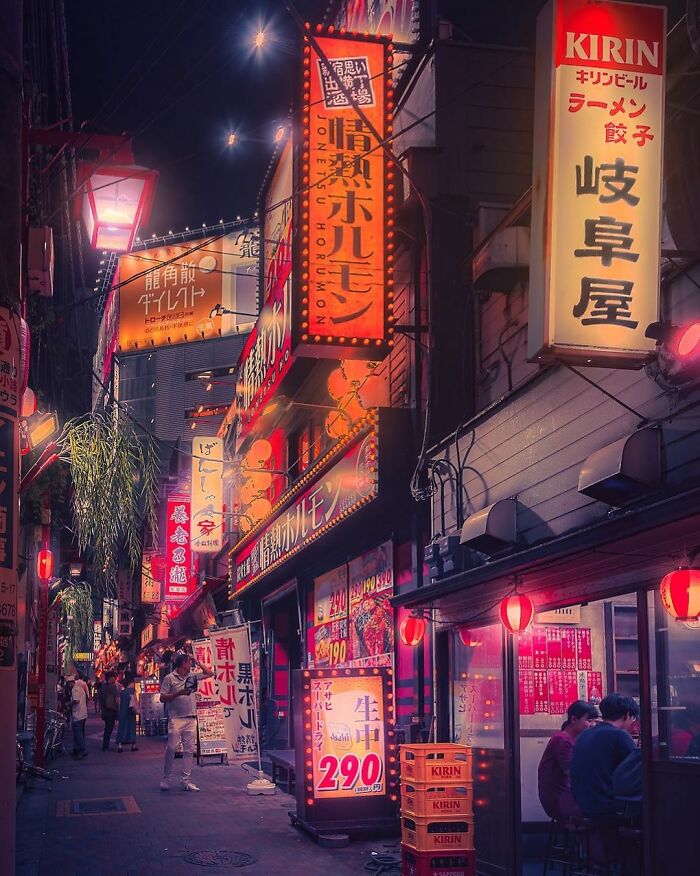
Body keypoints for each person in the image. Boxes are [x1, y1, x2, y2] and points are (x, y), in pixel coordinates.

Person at [571, 693, 640, 819]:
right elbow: (637, 770)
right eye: (633, 717)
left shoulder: (585, 734)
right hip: (606, 807)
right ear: (627, 715)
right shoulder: (619, 735)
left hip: (582, 804)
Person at [159, 651, 214, 792]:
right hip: (175, 719)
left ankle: (185, 781)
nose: (191, 664)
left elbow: (209, 673)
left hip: (191, 718)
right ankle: (166, 778)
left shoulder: (192, 677)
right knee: (171, 748)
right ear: (183, 664)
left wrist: (197, 660)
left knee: (189, 751)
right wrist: (178, 693)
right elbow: (162, 698)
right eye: (189, 662)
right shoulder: (169, 678)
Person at [538, 700, 599, 821]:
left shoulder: (570, 739)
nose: (593, 725)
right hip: (561, 799)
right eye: (589, 720)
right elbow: (573, 773)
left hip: (566, 796)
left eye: (594, 721)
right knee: (602, 814)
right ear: (574, 719)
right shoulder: (562, 741)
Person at [116, 674, 139, 753]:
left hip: (122, 712)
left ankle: (120, 745)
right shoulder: (132, 691)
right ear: (130, 683)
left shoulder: (122, 692)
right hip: (130, 713)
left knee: (122, 728)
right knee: (131, 728)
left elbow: (118, 703)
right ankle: (133, 745)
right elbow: (133, 702)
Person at [99, 670, 120, 750]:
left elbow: (100, 699)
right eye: (114, 677)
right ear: (111, 678)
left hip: (104, 710)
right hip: (112, 710)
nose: (115, 679)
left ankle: (105, 745)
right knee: (109, 728)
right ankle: (105, 746)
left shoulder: (103, 686)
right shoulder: (113, 687)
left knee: (107, 728)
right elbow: (116, 699)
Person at [70, 672, 90, 759]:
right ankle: (76, 749)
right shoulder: (81, 687)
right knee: (79, 733)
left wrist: (69, 704)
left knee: (78, 734)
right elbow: (87, 694)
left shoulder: (75, 689)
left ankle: (82, 750)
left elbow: (76, 700)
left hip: (78, 714)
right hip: (83, 714)